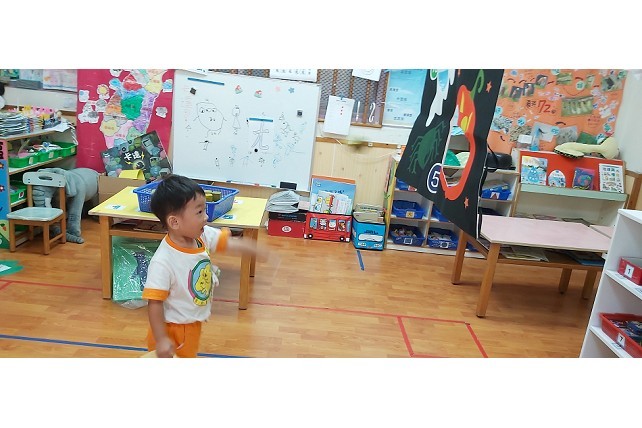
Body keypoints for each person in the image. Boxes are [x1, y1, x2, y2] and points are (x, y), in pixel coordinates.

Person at [142, 174, 266, 358]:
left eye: (205, 210)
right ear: (174, 222)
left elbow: (229, 243)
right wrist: (161, 339)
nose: (206, 217)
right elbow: (154, 303)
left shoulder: (202, 236)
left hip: (191, 325)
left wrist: (254, 248)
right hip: (173, 331)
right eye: (199, 212)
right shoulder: (163, 261)